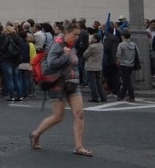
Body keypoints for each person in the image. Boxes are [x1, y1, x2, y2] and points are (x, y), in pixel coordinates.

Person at [29, 22, 92, 156]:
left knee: (79, 114)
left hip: (72, 83)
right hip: (58, 84)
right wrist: (65, 56)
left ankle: (79, 146)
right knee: (58, 116)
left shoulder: (70, 45)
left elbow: (74, 64)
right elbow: (51, 63)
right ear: (66, 33)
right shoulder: (58, 44)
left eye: (78, 35)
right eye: (74, 35)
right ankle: (36, 134)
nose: (76, 37)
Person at [83, 32, 106, 102]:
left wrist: (90, 44)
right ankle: (103, 96)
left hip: (91, 66)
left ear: (95, 39)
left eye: (92, 37)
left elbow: (85, 55)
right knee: (98, 82)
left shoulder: (92, 47)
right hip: (98, 66)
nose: (91, 38)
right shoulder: (101, 45)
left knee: (92, 83)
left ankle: (95, 97)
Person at [116, 29, 138, 102]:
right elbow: (138, 52)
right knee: (126, 80)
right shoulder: (133, 44)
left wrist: (118, 61)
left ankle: (132, 96)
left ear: (122, 36)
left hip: (123, 64)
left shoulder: (121, 44)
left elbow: (118, 54)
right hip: (131, 64)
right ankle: (121, 96)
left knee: (127, 81)